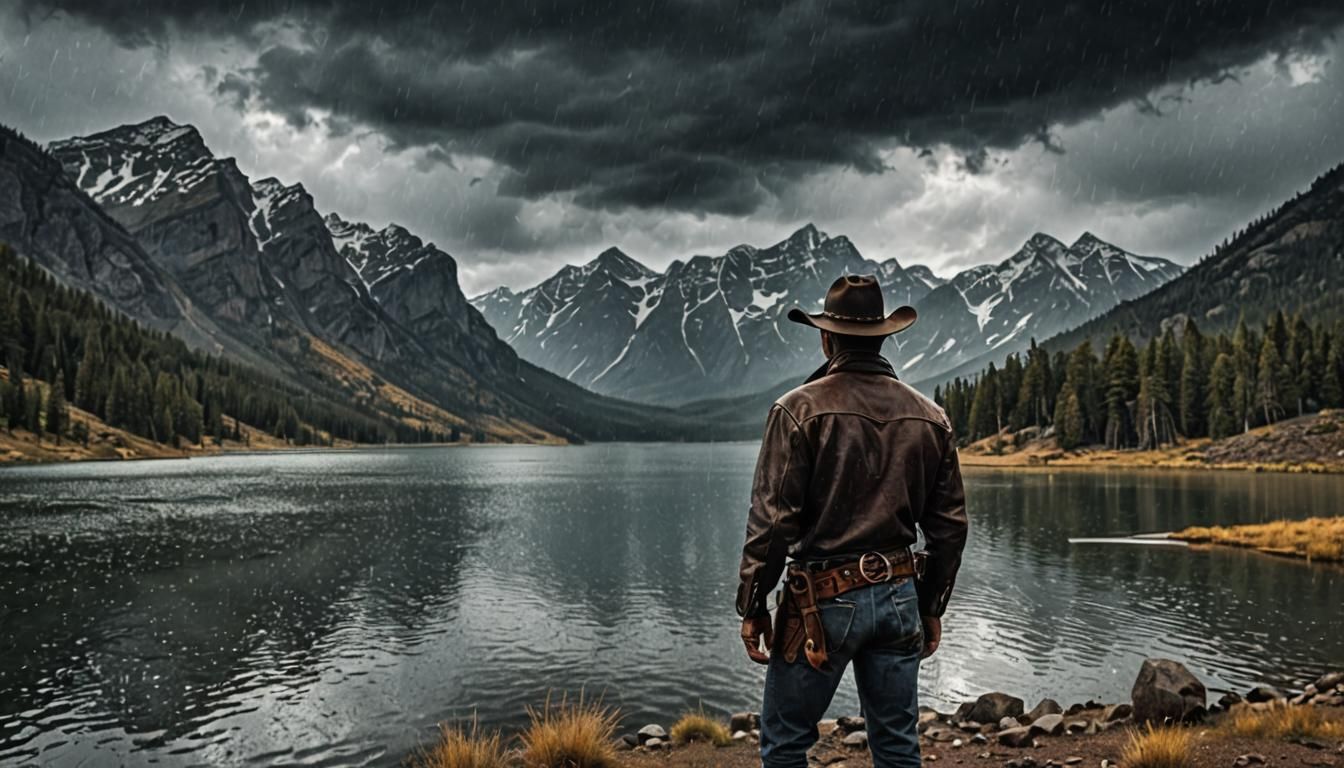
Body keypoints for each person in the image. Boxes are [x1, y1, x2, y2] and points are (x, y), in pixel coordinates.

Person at [736, 274, 969, 768]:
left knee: (784, 743)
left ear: (825, 336)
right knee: (898, 746)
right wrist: (930, 606)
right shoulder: (931, 417)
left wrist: (753, 603)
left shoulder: (798, 410)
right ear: (883, 336)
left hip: (820, 603)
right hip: (900, 596)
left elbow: (773, 524)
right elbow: (949, 528)